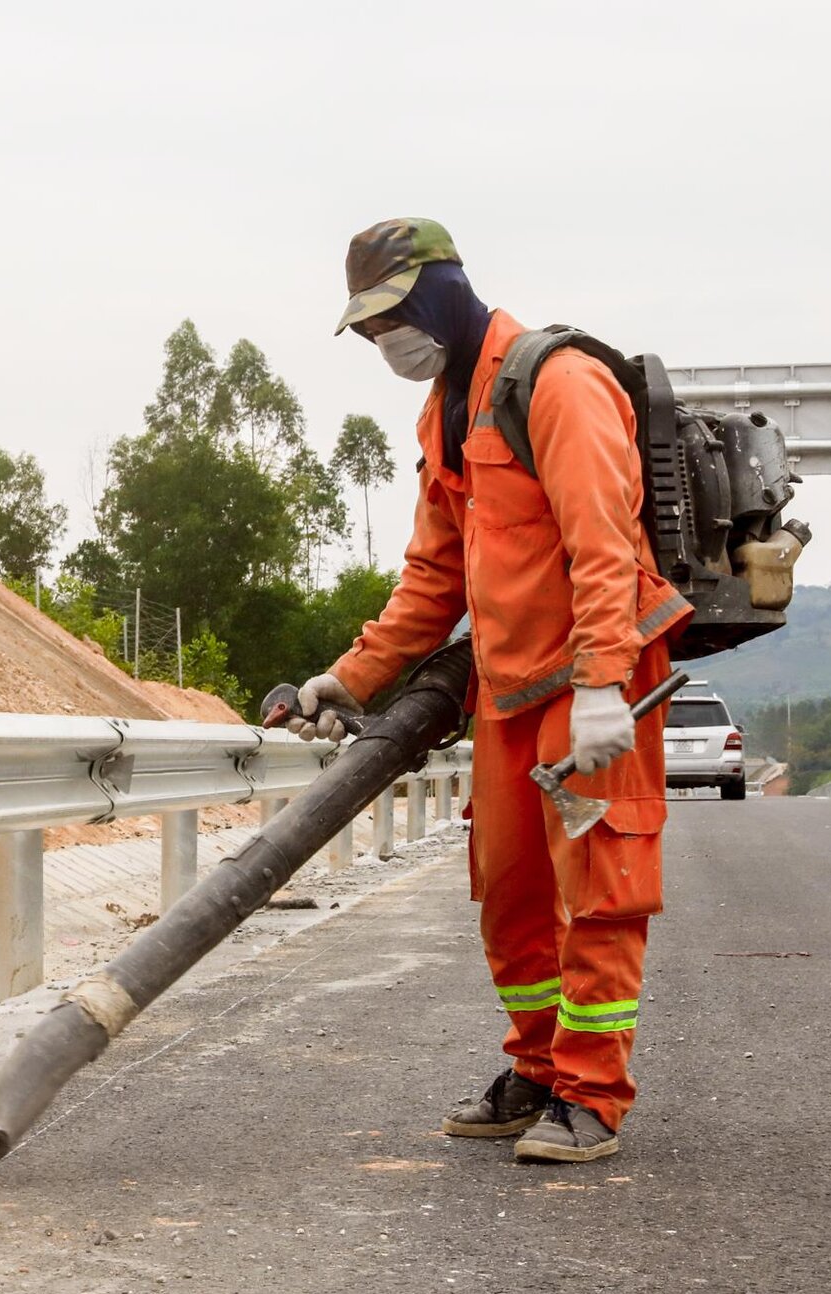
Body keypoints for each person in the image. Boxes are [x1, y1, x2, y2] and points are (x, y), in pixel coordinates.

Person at [291, 218, 689, 1163]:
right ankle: (541, 1071)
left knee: (599, 892)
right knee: (509, 895)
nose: (385, 338)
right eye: (369, 327)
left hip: (598, 683)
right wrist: (348, 678)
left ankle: (593, 1095)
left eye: (395, 315)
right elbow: (434, 574)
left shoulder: (559, 382)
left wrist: (601, 682)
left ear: (444, 289)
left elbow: (602, 541)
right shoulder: (447, 411)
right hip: (507, 694)